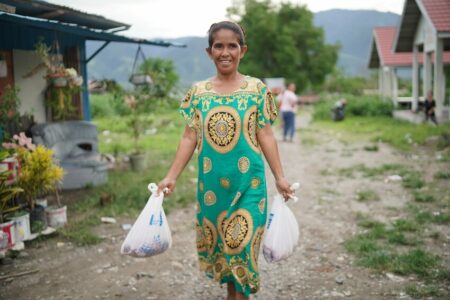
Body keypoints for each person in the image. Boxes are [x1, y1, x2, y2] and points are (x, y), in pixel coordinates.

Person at [158, 21, 293, 300]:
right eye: (218, 46)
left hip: (249, 186)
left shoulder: (256, 90)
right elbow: (188, 137)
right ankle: (235, 295)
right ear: (209, 52)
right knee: (225, 249)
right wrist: (171, 176)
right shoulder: (199, 93)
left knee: (239, 246)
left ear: (242, 50)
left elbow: (265, 134)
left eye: (232, 45)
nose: (225, 52)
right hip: (213, 192)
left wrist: (280, 177)